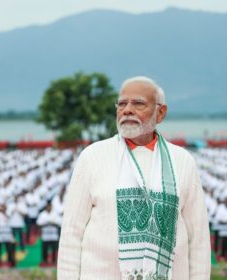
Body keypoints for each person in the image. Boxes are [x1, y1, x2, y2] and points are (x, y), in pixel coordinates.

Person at [58, 76, 210, 279]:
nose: (127, 109)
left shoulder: (182, 161)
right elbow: (71, 235)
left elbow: (198, 239)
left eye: (138, 103)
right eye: (121, 104)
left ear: (161, 112)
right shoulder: (93, 157)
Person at [37, 200, 61, 265]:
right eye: (47, 207)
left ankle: (54, 261)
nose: (48, 208)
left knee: (54, 250)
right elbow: (38, 224)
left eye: (49, 206)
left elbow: (60, 223)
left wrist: (52, 223)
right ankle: (45, 261)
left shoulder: (55, 214)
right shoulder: (42, 214)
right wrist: (46, 223)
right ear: (46, 207)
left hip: (54, 236)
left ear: (51, 207)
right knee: (44, 250)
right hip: (45, 236)